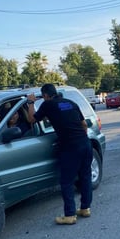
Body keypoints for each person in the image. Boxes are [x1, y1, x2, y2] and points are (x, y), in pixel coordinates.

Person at [26, 83, 93, 225]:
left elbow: (31, 119)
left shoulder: (48, 105)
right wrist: (81, 139)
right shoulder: (70, 102)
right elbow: (84, 125)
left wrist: (31, 102)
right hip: (85, 144)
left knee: (66, 181)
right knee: (85, 177)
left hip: (70, 148)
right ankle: (85, 208)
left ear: (45, 95)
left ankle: (69, 215)